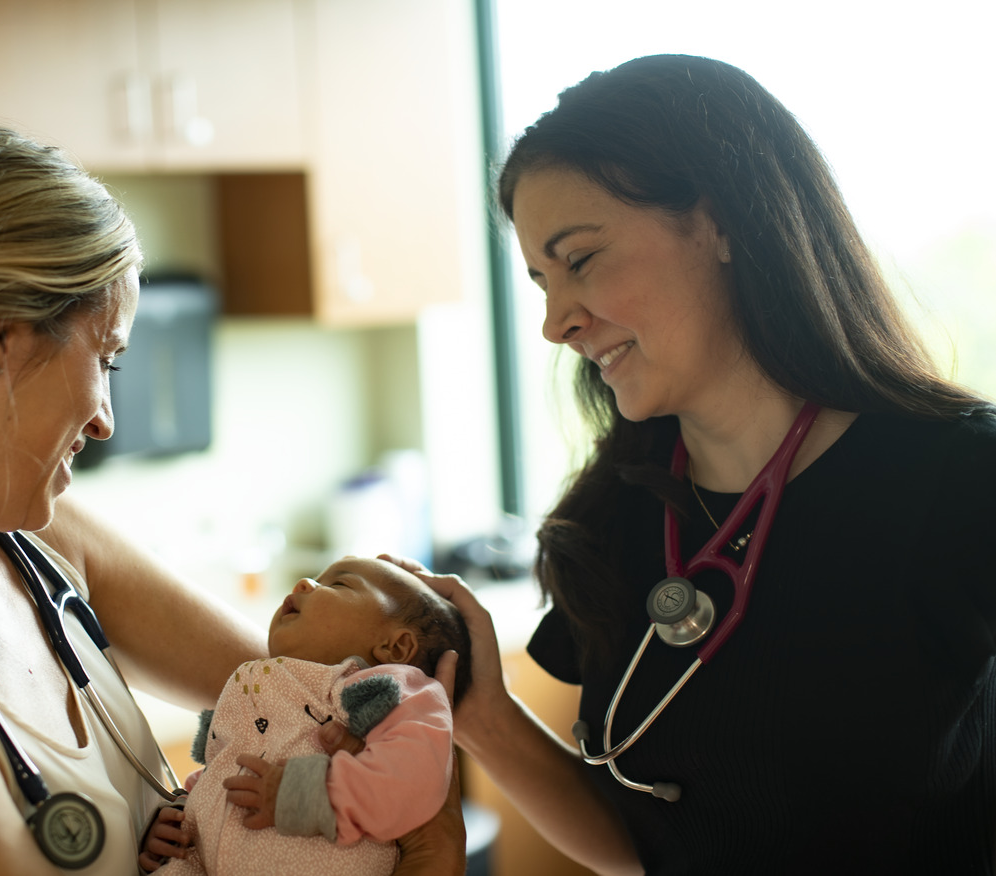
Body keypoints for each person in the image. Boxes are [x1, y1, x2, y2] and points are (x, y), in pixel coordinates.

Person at [0, 118, 466, 876]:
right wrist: (429, 854)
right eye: (105, 357)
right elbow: (399, 800)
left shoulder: (42, 543)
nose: (106, 419)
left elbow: (308, 690)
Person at [389, 54, 996, 876]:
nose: (554, 322)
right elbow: (640, 850)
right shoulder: (609, 521)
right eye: (538, 281)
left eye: (579, 260)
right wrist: (482, 715)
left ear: (718, 222)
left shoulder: (957, 481)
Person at [140, 556, 472, 875]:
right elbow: (227, 766)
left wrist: (303, 792)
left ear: (395, 648)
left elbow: (413, 776)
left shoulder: (387, 691)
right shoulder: (258, 686)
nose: (303, 583)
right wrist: (182, 818)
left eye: (340, 584)